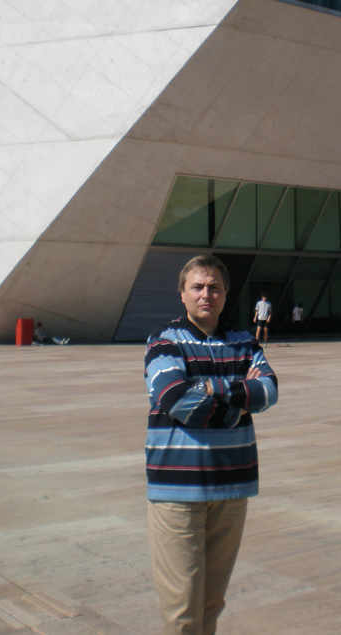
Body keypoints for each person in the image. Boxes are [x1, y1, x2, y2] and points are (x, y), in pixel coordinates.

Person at [145, 255, 278, 635]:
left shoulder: (244, 341)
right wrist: (237, 408)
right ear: (182, 295)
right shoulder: (164, 341)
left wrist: (208, 387)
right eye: (198, 287)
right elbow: (174, 397)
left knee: (211, 603)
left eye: (215, 287)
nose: (207, 294)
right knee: (182, 610)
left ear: (225, 294)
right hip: (178, 489)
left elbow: (268, 391)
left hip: (231, 486)